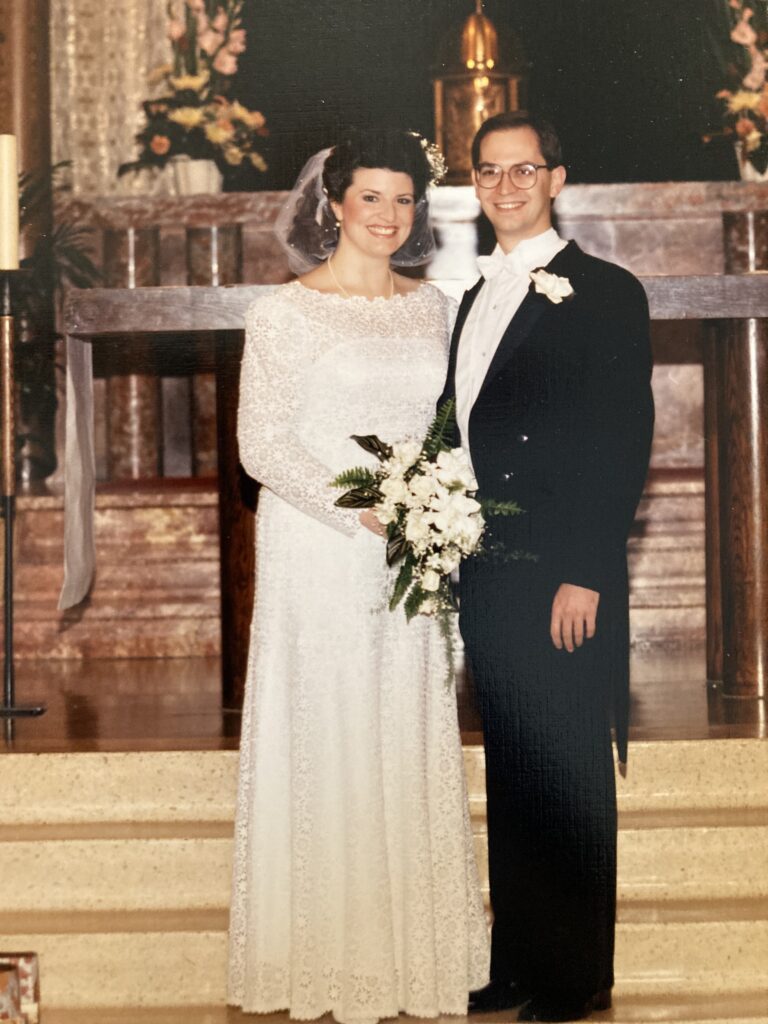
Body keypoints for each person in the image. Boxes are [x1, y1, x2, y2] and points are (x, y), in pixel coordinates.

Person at [227, 130, 490, 1024]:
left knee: (403, 725)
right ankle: (327, 961)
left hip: (412, 558)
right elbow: (260, 447)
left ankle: (411, 957)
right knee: (331, 729)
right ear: (333, 203)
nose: (387, 214)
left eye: (403, 199)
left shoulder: (436, 309)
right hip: (319, 549)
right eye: (370, 197)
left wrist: (436, 503)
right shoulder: (284, 314)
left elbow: (453, 431)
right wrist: (364, 510)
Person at [437, 112, 654, 1022]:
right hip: (489, 566)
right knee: (517, 772)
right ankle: (520, 962)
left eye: (524, 169)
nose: (507, 186)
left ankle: (573, 979)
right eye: (490, 172)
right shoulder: (469, 293)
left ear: (557, 178)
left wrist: (588, 570)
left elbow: (621, 440)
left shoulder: (605, 289)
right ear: (475, 186)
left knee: (567, 772)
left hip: (561, 570)